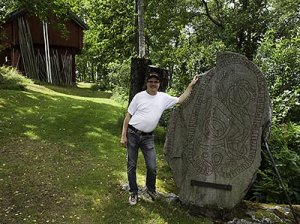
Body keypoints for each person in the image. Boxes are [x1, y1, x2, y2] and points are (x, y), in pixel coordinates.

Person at [121, 72, 199, 205]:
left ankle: (150, 189)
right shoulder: (139, 97)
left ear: (159, 84)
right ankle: (133, 193)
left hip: (148, 137)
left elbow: (180, 100)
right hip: (133, 134)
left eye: (155, 82)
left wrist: (191, 85)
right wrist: (123, 135)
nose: (153, 84)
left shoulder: (163, 98)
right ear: (147, 83)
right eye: (150, 81)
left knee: (152, 166)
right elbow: (128, 116)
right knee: (131, 165)